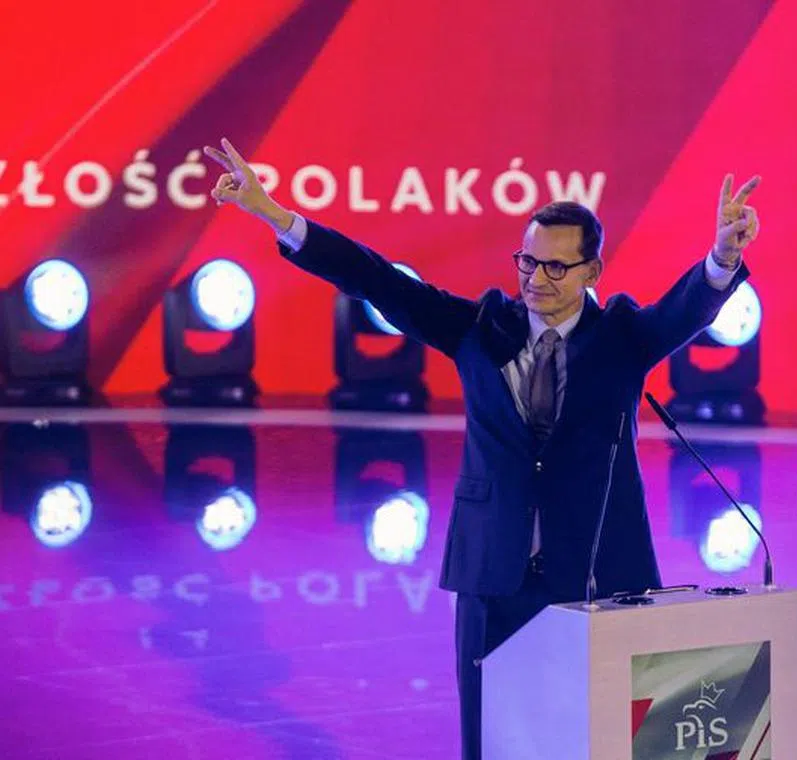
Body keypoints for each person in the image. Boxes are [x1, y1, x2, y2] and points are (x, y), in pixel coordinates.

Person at [205, 138, 759, 760]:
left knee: (600, 739)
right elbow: (378, 279)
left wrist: (721, 257)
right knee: (493, 737)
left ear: (591, 271)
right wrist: (275, 215)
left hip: (600, 573)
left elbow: (685, 310)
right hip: (494, 574)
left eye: (556, 267)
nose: (536, 279)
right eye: (528, 262)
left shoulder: (623, 337)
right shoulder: (479, 328)